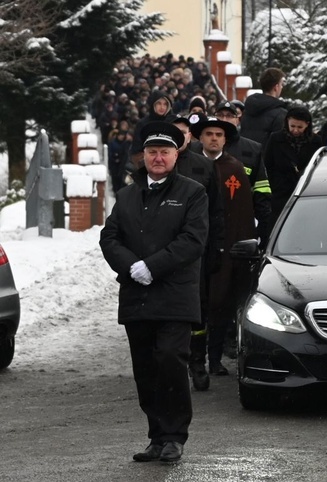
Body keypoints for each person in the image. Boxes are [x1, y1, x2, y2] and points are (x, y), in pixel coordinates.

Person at [100, 122, 209, 463]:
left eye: (164, 152)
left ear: (176, 155)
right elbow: (109, 237)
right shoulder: (128, 194)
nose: (158, 158)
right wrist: (131, 266)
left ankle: (175, 436)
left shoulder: (192, 193)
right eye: (152, 152)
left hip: (175, 296)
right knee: (146, 368)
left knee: (171, 362)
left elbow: (192, 240)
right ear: (143, 156)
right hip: (138, 296)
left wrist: (153, 266)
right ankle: (156, 436)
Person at [190, 116, 257, 377]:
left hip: (225, 248)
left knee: (220, 305)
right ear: (201, 137)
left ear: (225, 139)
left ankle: (214, 359)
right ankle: (194, 359)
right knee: (196, 305)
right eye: (209, 134)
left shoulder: (235, 169)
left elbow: (242, 212)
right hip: (196, 247)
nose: (214, 138)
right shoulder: (191, 166)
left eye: (219, 134)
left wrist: (239, 248)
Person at [172, 116, 225, 391]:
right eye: (174, 133)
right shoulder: (156, 166)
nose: (179, 138)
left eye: (183, 133)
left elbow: (216, 212)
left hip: (198, 252)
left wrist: (216, 248)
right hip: (164, 253)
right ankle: (171, 364)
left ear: (190, 137)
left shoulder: (204, 166)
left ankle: (197, 362)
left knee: (198, 309)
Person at [211, 101, 273, 250]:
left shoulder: (252, 149)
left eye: (229, 116)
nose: (224, 120)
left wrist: (263, 229)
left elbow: (262, 190)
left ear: (238, 119)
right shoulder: (203, 148)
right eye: (220, 115)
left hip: (240, 221)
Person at [264, 106, 323, 220]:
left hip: (305, 191)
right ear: (287, 123)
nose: (295, 130)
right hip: (280, 192)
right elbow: (268, 164)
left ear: (307, 124)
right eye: (292, 126)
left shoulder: (316, 141)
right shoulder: (275, 139)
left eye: (300, 127)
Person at [240, 67, 287, 147]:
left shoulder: (249, 107)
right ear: (276, 87)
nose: (282, 87)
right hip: (266, 158)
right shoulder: (280, 113)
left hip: (244, 156)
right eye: (281, 84)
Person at [130, 91, 177, 169]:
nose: (162, 107)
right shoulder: (143, 124)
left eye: (165, 104)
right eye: (159, 103)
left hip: (172, 166)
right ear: (153, 104)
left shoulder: (173, 122)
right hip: (147, 167)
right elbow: (136, 150)